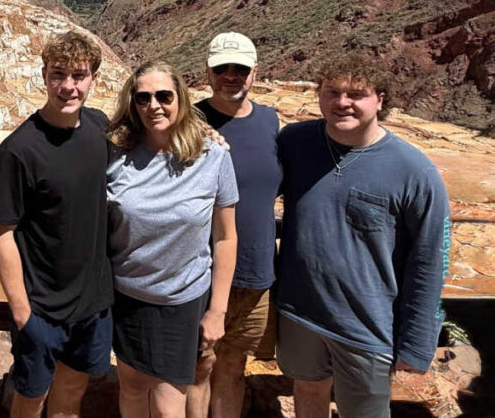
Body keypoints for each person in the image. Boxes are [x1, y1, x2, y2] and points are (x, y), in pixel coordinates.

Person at [276, 55, 450, 418]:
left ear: (381, 100)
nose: (343, 102)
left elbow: (431, 259)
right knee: (307, 391)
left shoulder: (414, 171)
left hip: (366, 326)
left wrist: (418, 342)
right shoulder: (295, 143)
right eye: (332, 92)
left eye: (357, 94)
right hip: (299, 313)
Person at [0, 30, 113, 418]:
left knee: (72, 391)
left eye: (79, 75)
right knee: (31, 396)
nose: (68, 86)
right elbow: (2, 235)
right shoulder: (16, 151)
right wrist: (23, 312)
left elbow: (160, 132)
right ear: (43, 75)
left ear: (94, 78)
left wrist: (207, 134)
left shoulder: (100, 128)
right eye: (58, 74)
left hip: (93, 302)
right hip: (42, 307)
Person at [107, 60, 238, 418]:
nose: (154, 106)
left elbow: (226, 237)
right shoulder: (115, 154)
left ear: (180, 98)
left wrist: (217, 311)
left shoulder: (212, 157)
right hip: (127, 296)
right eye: (143, 98)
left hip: (181, 300)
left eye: (164, 96)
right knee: (132, 388)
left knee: (169, 402)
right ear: (132, 104)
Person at [190, 32, 282, 418]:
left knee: (233, 366)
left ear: (254, 73)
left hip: (256, 274)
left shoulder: (270, 122)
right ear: (207, 72)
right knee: (198, 368)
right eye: (222, 68)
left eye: (240, 68)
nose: (231, 75)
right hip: (202, 273)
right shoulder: (190, 121)